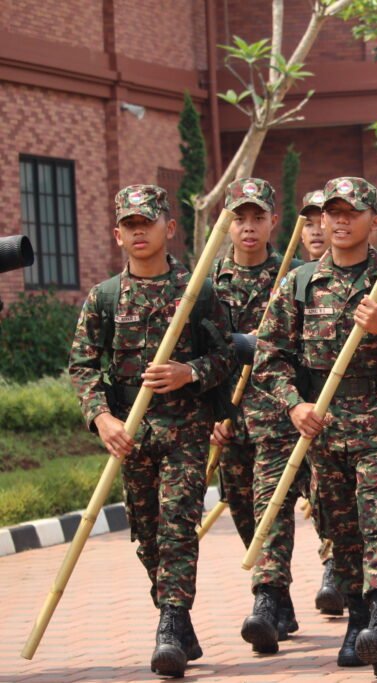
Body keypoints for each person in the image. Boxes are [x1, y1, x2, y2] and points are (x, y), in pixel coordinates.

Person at [252, 176, 377, 676]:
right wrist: (294, 405)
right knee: (340, 527)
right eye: (331, 213)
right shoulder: (299, 282)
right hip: (324, 422)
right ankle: (357, 617)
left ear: (373, 221)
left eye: (350, 213)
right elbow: (269, 359)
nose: (338, 221)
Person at [68, 184, 235, 677]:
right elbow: (82, 366)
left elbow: (228, 356)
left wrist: (190, 373)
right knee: (148, 535)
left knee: (179, 525)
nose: (138, 231)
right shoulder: (103, 298)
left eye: (147, 223)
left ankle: (170, 625)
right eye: (129, 225)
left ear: (170, 229)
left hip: (184, 427)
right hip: (130, 430)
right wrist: (103, 419)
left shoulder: (198, 292)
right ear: (116, 234)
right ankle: (178, 621)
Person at [208, 177, 311, 654]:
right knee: (244, 507)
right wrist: (211, 411)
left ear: (273, 221)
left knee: (273, 508)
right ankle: (281, 597)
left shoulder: (292, 279)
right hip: (228, 418)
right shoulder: (206, 286)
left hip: (277, 414)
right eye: (239, 218)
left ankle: (266, 599)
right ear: (226, 223)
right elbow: (198, 354)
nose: (248, 227)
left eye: (257, 218)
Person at [300, 190, 328, 260]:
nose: (316, 232)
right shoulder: (294, 270)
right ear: (301, 234)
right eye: (309, 224)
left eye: (323, 223)